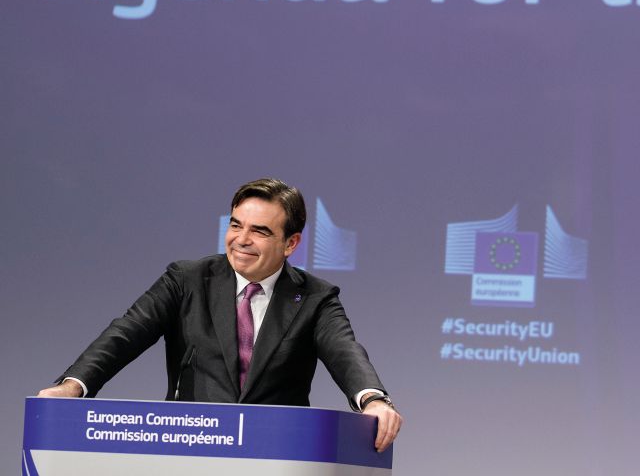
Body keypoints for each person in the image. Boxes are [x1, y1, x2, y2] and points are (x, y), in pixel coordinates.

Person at [38, 178, 402, 452]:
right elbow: (125, 333)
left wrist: (373, 401)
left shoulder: (315, 297)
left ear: (290, 243)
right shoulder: (186, 279)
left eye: (259, 231)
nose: (241, 239)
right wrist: (73, 386)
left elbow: (344, 350)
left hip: (274, 454)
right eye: (235, 225)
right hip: (190, 448)